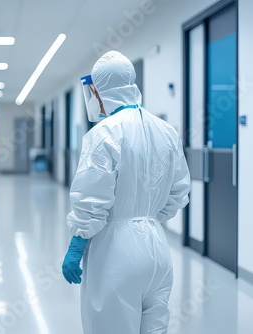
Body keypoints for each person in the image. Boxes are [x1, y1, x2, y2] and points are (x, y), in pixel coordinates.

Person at [62, 51, 191, 334]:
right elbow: (180, 191)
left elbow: (91, 198)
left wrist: (77, 245)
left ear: (98, 91)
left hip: (115, 253)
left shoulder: (103, 134)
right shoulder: (167, 131)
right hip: (156, 248)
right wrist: (146, 216)